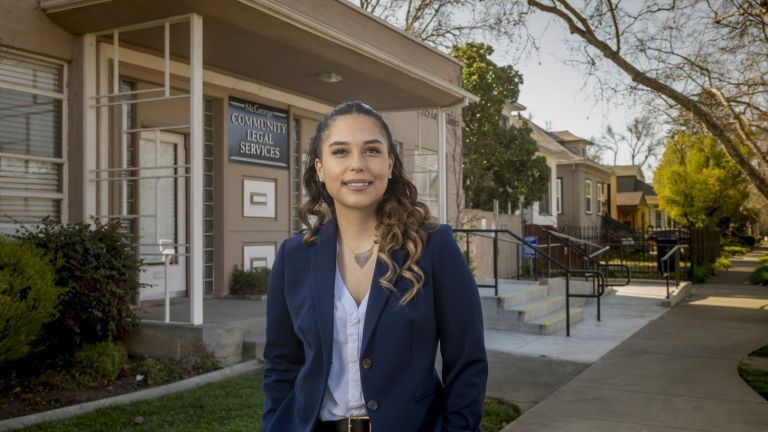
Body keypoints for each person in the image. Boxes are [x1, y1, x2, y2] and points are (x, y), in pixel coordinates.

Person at [261, 101, 487, 432]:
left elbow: (467, 363)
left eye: (371, 150)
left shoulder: (434, 247)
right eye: (340, 152)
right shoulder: (293, 256)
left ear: (390, 164)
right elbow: (281, 366)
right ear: (321, 169)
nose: (357, 164)